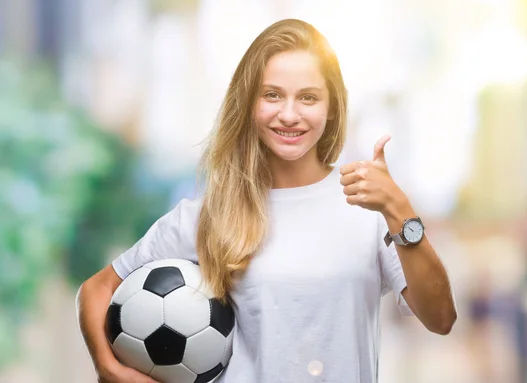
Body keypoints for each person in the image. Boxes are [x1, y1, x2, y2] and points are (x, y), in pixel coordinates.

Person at [76, 18, 457, 383]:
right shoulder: (208, 215)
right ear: (249, 102)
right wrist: (109, 370)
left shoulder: (367, 210)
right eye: (272, 95)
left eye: (308, 98)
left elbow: (441, 319)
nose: (289, 115)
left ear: (331, 108)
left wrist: (399, 210)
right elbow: (96, 290)